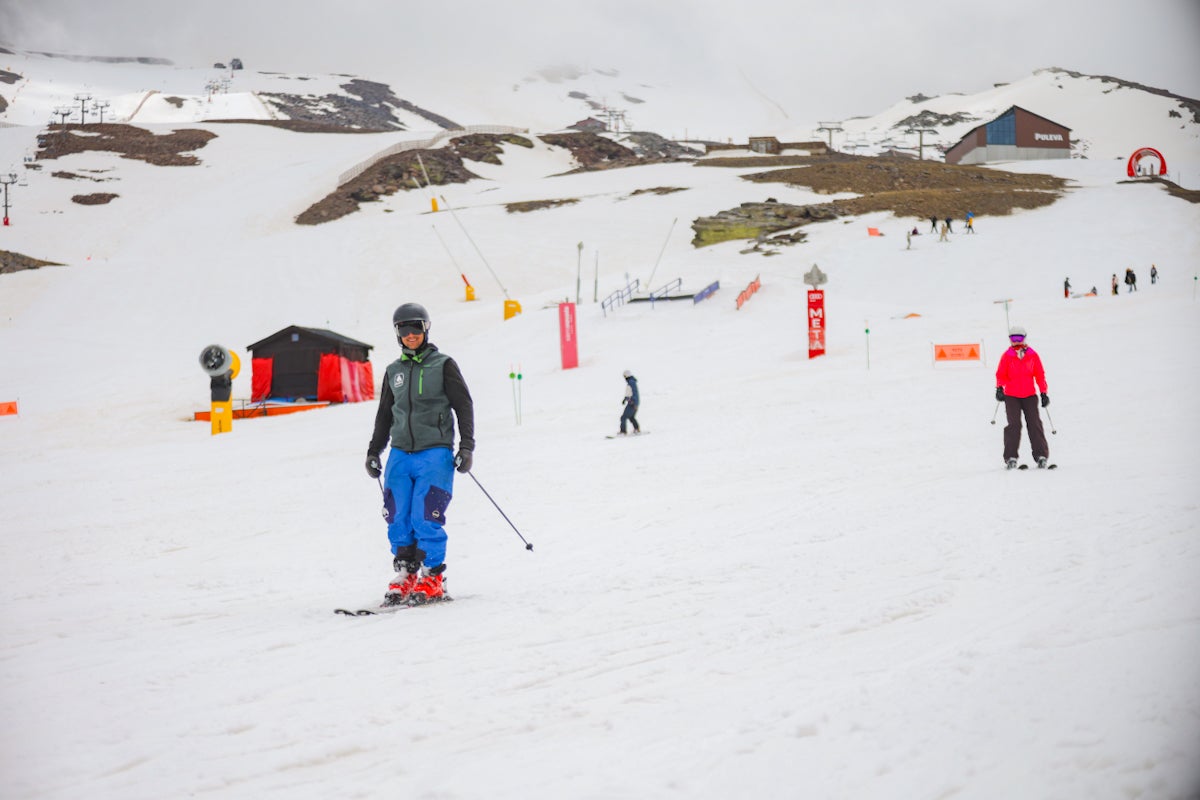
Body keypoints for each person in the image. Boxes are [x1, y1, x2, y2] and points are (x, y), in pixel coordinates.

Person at [365, 302, 475, 607]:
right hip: (401, 453)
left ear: (426, 329)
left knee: (426, 514)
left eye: (416, 329)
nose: (410, 335)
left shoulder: (443, 365)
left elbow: (463, 405)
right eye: (404, 330)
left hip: (435, 452)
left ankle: (433, 576)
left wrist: (466, 447)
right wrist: (374, 451)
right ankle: (406, 573)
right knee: (396, 515)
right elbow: (385, 415)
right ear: (397, 334)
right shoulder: (393, 371)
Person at [994, 326, 1050, 469]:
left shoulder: (1032, 355)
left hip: (1029, 395)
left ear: (1025, 338)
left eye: (1019, 338)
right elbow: (1001, 374)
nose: (1016, 341)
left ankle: (1041, 456)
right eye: (1013, 338)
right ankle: (1010, 457)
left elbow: (1039, 374)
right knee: (1014, 425)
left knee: (1034, 423)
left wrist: (1043, 392)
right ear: (1010, 340)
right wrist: (999, 388)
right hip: (1012, 396)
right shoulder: (1007, 356)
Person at [619, 370, 640, 435]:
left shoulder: (631, 383)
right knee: (631, 417)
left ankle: (623, 431)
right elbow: (630, 393)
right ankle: (636, 429)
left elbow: (633, 393)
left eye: (624, 376)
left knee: (623, 417)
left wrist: (633, 402)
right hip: (633, 402)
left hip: (632, 403)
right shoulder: (631, 382)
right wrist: (625, 399)